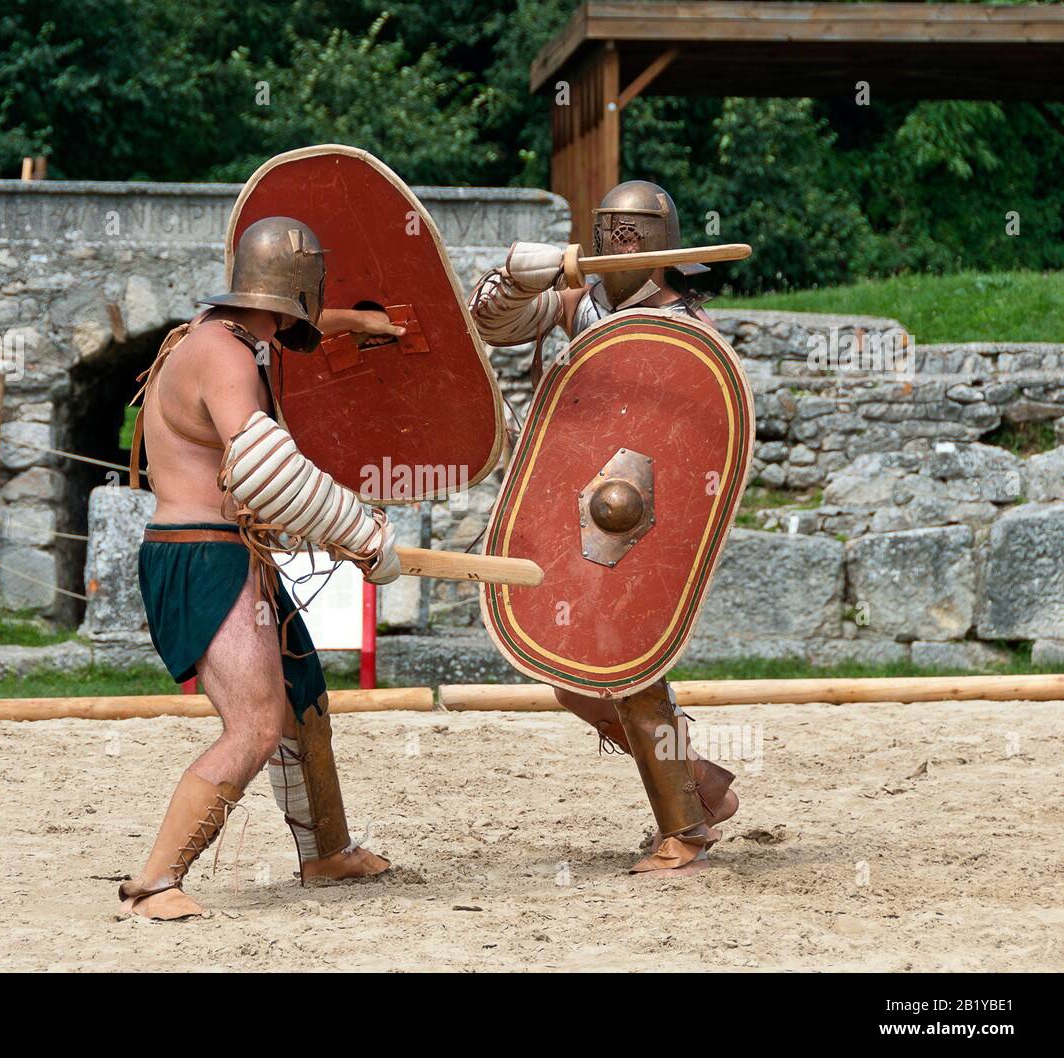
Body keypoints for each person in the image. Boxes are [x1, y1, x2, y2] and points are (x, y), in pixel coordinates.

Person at [118, 216, 404, 920]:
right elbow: (260, 461)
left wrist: (360, 322)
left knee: (300, 703)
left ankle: (326, 852)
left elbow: (286, 328)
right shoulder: (226, 357)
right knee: (252, 722)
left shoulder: (209, 335)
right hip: (203, 558)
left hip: (226, 553)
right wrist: (361, 532)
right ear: (296, 290)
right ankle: (154, 882)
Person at [468, 180, 739, 877]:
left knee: (631, 668)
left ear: (651, 247)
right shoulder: (582, 304)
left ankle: (684, 829)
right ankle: (698, 780)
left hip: (638, 516)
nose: (618, 244)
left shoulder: (686, 329)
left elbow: (694, 443)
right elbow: (488, 323)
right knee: (571, 676)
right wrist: (516, 276)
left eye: (627, 235)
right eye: (610, 233)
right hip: (582, 510)